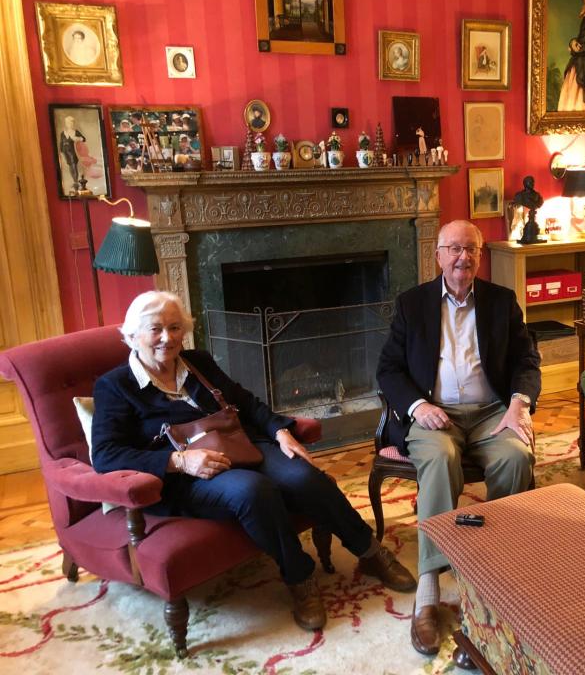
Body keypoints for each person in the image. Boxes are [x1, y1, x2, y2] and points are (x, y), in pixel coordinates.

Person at [92, 291, 415, 633]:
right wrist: (179, 461)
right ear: (131, 336)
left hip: (243, 445)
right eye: (155, 329)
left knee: (304, 477)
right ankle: (300, 579)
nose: (167, 338)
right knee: (253, 491)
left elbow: (244, 401)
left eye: (174, 328)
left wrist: (280, 432)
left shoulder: (197, 362)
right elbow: (106, 454)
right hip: (188, 477)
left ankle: (370, 552)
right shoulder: (115, 387)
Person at [377, 220, 540, 654]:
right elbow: (388, 369)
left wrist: (519, 404)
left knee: (514, 457)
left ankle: (495, 571)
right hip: (437, 415)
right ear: (438, 254)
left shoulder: (502, 302)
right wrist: (419, 407)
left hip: (491, 414)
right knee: (439, 459)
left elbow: (527, 358)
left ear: (480, 254)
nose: (462, 257)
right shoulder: (413, 304)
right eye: (453, 249)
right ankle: (428, 591)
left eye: (470, 249)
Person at [59, 115, 86, 193]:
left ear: (73, 123)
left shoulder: (75, 132)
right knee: (71, 166)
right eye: (67, 122)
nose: (69, 124)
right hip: (65, 152)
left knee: (74, 164)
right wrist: (61, 153)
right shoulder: (63, 133)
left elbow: (83, 139)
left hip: (73, 151)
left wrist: (77, 138)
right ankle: (75, 181)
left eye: (70, 122)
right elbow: (61, 143)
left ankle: (76, 181)